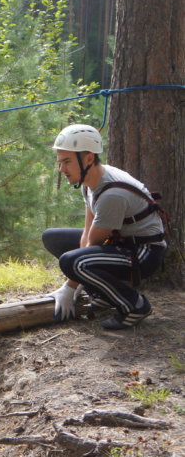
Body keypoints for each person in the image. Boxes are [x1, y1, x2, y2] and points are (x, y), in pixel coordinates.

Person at [43, 124, 166, 329]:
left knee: (74, 262)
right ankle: (101, 294)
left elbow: (94, 243)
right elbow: (87, 233)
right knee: (53, 238)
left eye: (67, 162)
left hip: (143, 253)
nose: (61, 169)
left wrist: (69, 286)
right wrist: (74, 281)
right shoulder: (90, 181)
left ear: (89, 158)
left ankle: (134, 305)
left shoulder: (112, 194)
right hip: (120, 244)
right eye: (60, 162)